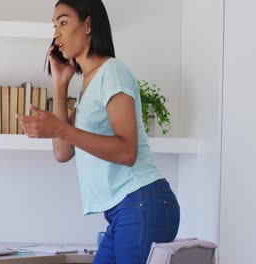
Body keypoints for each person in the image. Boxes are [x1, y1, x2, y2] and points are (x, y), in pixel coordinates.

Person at [16, 0, 180, 263]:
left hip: (142, 201)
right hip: (122, 211)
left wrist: (61, 128)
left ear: (88, 24)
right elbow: (62, 151)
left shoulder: (113, 72)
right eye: (54, 26)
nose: (56, 33)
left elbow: (127, 151)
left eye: (64, 22)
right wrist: (60, 84)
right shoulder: (87, 85)